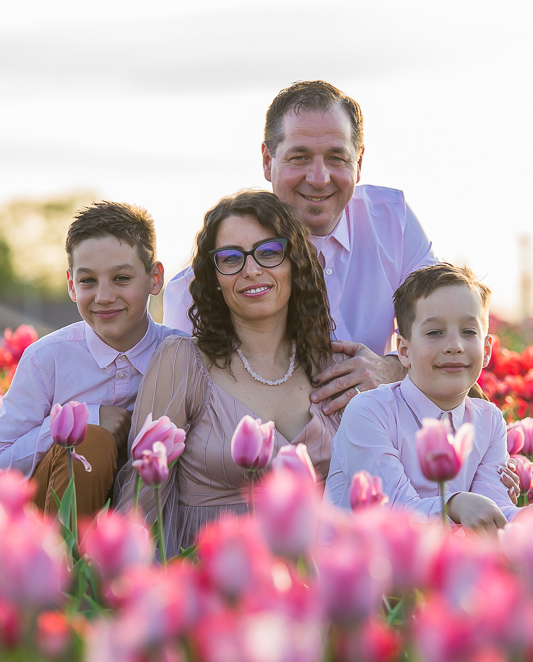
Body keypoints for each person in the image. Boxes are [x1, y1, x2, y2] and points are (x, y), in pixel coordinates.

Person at [162, 81, 437, 415]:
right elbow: (178, 404)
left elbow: (447, 327)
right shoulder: (202, 285)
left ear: (359, 162)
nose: (319, 178)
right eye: (300, 157)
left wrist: (393, 368)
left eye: (336, 158)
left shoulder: (394, 222)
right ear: (268, 161)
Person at [114, 190, 338, 553]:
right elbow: (142, 501)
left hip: (312, 578)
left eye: (269, 252)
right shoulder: (183, 362)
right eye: (231, 258)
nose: (251, 270)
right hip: (211, 576)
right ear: (214, 276)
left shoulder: (333, 367)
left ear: (295, 262)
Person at [0, 201, 184, 516]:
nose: (103, 297)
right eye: (88, 281)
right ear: (71, 285)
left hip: (154, 519)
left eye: (122, 278)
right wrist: (79, 420)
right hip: (55, 520)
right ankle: (67, 549)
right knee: (90, 441)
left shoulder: (183, 355)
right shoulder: (47, 359)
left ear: (155, 278)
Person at [323, 263, 518, 532]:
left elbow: (494, 511)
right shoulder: (369, 411)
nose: (454, 346)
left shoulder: (489, 420)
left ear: (486, 351)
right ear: (404, 351)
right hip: (360, 554)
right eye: (434, 332)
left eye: (469, 332)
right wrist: (455, 504)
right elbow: (392, 508)